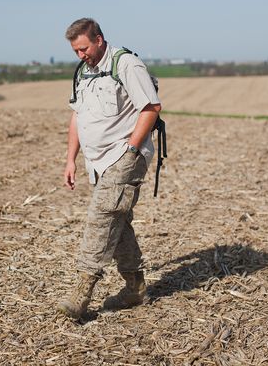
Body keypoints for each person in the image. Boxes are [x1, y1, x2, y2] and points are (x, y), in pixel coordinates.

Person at [58, 18, 162, 319]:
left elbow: (151, 108)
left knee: (101, 216)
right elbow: (77, 117)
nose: (81, 55)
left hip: (124, 156)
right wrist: (70, 159)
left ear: (99, 39)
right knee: (118, 220)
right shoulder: (84, 72)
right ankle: (135, 288)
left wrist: (132, 149)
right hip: (97, 161)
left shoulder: (126, 65)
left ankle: (82, 291)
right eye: (75, 51)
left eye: (84, 48)